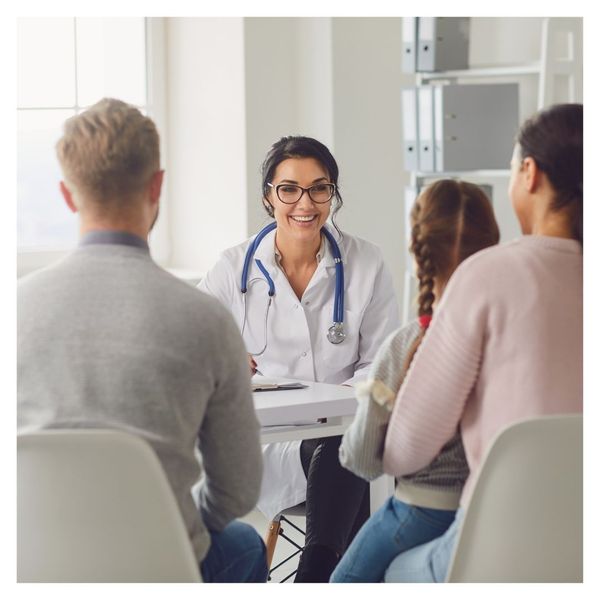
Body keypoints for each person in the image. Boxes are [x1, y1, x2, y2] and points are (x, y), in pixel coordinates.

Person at [17, 98, 267, 583]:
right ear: (157, 185)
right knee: (243, 543)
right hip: (161, 566)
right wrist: (174, 530)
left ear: (68, 195)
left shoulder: (14, 309)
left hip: (32, 566)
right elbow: (238, 491)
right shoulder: (207, 320)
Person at [381, 102, 583, 583]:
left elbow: (405, 448)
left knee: (389, 574)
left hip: (500, 541)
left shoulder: (487, 276)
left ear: (529, 174)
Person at [198, 135, 400, 581]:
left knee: (345, 444)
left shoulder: (366, 264)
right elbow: (191, 349)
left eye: (319, 188)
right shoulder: (233, 269)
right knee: (350, 457)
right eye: (289, 189)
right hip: (267, 445)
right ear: (269, 196)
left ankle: (313, 577)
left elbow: (382, 365)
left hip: (346, 437)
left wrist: (337, 406)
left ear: (333, 193)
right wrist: (226, 361)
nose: (304, 202)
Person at [330, 179, 500, 582]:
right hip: (488, 513)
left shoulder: (407, 346)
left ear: (417, 252)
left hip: (418, 512)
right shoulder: (506, 341)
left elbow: (361, 461)